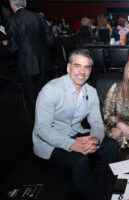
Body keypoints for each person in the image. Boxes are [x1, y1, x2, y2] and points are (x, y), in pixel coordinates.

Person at [32, 49, 119, 200]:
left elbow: (97, 123)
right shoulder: (51, 90)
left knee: (111, 145)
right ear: (68, 67)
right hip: (49, 143)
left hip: (75, 133)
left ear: (91, 70)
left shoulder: (91, 92)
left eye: (87, 67)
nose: (82, 72)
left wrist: (96, 139)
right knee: (80, 160)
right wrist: (72, 144)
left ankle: (103, 192)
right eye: (77, 66)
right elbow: (42, 129)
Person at [5, 0, 54, 110]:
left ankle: (39, 122)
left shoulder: (11, 20)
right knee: (42, 93)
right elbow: (50, 40)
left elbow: (13, 48)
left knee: (32, 97)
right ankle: (48, 118)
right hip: (43, 61)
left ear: (11, 5)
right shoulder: (39, 17)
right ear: (25, 3)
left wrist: (8, 43)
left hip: (26, 63)